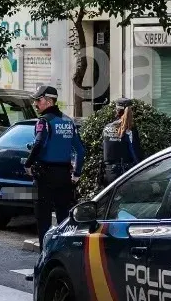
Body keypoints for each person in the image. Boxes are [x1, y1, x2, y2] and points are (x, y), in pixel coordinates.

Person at [24, 85, 86, 246]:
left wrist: (28, 164)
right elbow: (80, 150)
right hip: (64, 176)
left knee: (43, 218)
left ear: (49, 101)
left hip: (44, 176)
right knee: (64, 218)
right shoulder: (68, 121)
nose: (35, 104)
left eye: (38, 100)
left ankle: (44, 256)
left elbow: (38, 144)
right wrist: (77, 174)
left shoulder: (44, 122)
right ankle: (63, 253)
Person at [101, 98, 144, 187]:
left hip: (109, 172)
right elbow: (135, 153)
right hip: (125, 173)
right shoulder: (130, 130)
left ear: (117, 110)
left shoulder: (107, 127)